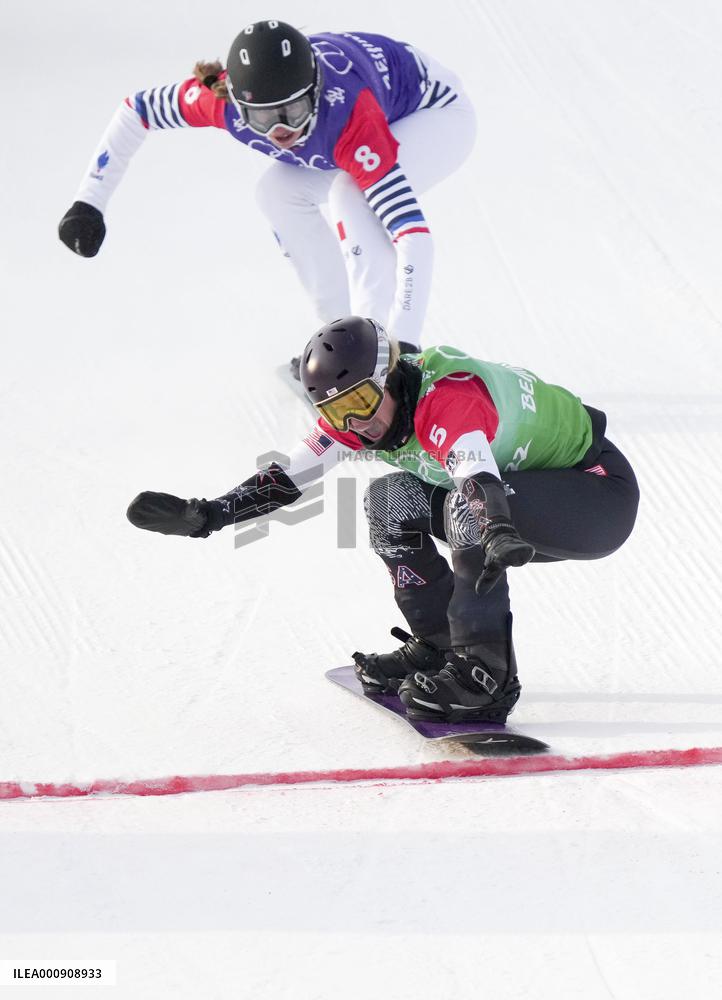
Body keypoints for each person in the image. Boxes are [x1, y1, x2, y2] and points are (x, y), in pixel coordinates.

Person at [126, 316, 640, 725]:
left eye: (361, 402)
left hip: (596, 492)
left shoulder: (449, 400)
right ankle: (441, 647)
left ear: (390, 377)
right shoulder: (359, 418)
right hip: (518, 492)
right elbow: (288, 477)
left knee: (466, 506)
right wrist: (209, 514)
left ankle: (486, 675)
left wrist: (498, 529)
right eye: (335, 412)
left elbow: (476, 479)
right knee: (388, 498)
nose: (354, 424)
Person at [58, 21, 477, 372]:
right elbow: (137, 111)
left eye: (293, 112)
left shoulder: (349, 115)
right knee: (275, 193)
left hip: (434, 114)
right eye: (262, 117)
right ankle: (344, 339)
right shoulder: (218, 101)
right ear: (235, 103)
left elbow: (412, 236)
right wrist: (89, 202)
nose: (281, 131)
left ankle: (374, 360)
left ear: (315, 91)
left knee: (352, 195)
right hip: (350, 122)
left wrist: (405, 349)